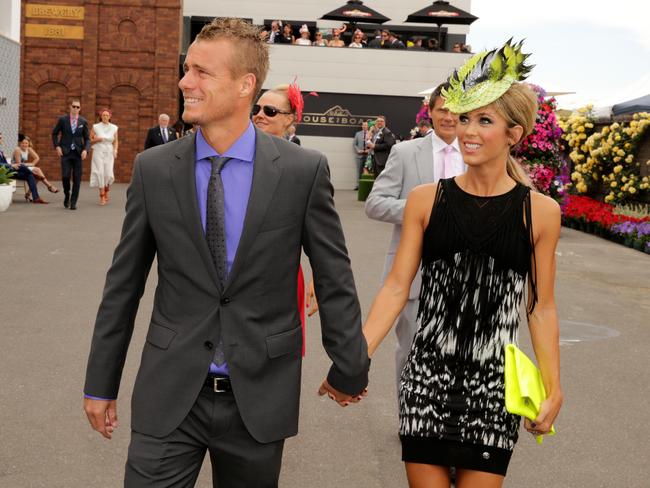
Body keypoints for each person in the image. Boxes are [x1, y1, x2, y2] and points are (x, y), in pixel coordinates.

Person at [83, 18, 369, 487]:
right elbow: (123, 285)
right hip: (169, 393)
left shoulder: (302, 173)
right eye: (186, 68)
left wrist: (350, 365)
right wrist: (100, 383)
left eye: (201, 72)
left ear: (245, 85)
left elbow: (334, 278)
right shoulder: (155, 170)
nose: (184, 82)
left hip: (259, 396)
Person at [362, 40, 563, 487]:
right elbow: (397, 288)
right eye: (465, 118)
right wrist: (360, 352)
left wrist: (554, 387)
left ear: (514, 133)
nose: (467, 130)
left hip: (493, 388)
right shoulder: (425, 200)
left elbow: (540, 306)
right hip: (426, 380)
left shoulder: (541, 212)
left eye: (484, 120)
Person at [365, 82, 464, 388]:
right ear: (430, 112)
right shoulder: (406, 152)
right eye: (442, 109)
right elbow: (375, 204)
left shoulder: (479, 153)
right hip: (414, 273)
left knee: (458, 357)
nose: (449, 116)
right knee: (412, 352)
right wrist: (424, 209)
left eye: (457, 110)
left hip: (466, 273)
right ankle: (410, 421)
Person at [252, 82, 319, 353]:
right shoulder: (232, 155)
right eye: (256, 108)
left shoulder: (304, 167)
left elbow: (318, 233)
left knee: (276, 357)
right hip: (232, 280)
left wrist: (320, 275)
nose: (259, 115)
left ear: (290, 120)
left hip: (281, 280)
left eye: (270, 111)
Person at [52, 98, 91, 210]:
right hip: (66, 152)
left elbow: (87, 138)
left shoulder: (83, 122)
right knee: (65, 176)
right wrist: (57, 146)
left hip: (78, 153)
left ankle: (73, 202)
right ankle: (67, 195)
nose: (75, 108)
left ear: (80, 109)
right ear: (70, 107)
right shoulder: (63, 120)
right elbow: (54, 133)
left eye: (77, 107)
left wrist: (85, 150)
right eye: (73, 106)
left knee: (77, 178)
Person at [1, 131, 47, 204]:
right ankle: (34, 174)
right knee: (21, 165)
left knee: (29, 175)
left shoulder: (1, 151)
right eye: (0, 138)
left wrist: (10, 164)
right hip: (5, 173)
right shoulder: (17, 150)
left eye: (1, 138)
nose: (1, 139)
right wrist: (11, 165)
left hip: (10, 170)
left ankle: (36, 198)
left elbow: (37, 158)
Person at [89, 108, 118, 205]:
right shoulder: (96, 126)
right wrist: (97, 140)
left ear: (110, 117)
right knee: (100, 172)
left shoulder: (114, 127)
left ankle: (106, 190)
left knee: (108, 173)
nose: (105, 117)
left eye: (107, 115)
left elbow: (116, 141)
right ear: (101, 116)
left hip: (109, 151)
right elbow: (90, 139)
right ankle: (102, 195)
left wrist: (115, 150)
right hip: (98, 150)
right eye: (103, 115)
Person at [353, 121, 369, 188]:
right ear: (362, 126)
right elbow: (354, 144)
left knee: (367, 171)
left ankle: (365, 186)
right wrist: (358, 150)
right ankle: (358, 185)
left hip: (368, 156)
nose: (364, 126)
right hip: (359, 156)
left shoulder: (371, 133)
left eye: (366, 125)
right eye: (363, 125)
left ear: (367, 126)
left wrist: (369, 150)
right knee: (359, 171)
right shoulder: (358, 134)